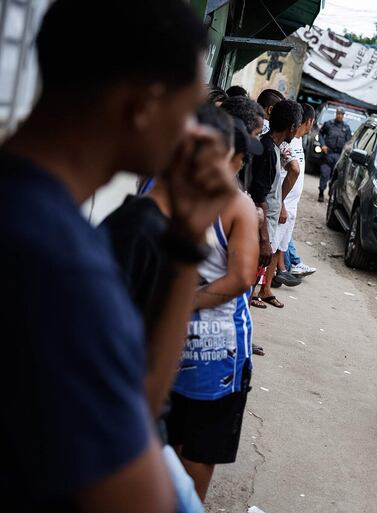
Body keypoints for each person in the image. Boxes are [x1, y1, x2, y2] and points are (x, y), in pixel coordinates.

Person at [0, 1, 236, 511]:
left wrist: (186, 242)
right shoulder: (63, 267)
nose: (195, 131)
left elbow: (134, 409)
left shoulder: (30, 213)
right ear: (144, 106)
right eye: (188, 111)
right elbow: (142, 498)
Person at [166, 107, 261, 501]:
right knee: (199, 450)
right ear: (228, 155)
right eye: (241, 155)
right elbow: (241, 278)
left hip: (166, 335)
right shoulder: (237, 205)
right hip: (216, 348)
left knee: (165, 437)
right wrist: (187, 303)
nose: (243, 163)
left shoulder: (163, 186)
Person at [249, 100, 302, 308]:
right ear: (292, 127)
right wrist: (264, 240)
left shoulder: (272, 148)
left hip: (263, 226)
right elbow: (259, 197)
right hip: (259, 228)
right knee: (249, 281)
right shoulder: (268, 151)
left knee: (251, 280)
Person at [273, 104, 316, 286]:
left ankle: (279, 272)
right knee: (272, 245)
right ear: (309, 121)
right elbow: (279, 177)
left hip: (291, 206)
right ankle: (267, 280)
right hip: (283, 205)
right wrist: (281, 204)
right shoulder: (288, 143)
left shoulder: (298, 142)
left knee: (281, 244)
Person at [318, 106, 352, 202]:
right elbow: (320, 134)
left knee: (335, 177)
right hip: (328, 154)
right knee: (325, 174)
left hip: (339, 156)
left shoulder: (346, 128)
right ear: (336, 113)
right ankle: (321, 192)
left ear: (343, 115)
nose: (339, 115)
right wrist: (323, 145)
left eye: (341, 114)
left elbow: (349, 142)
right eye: (338, 113)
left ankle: (331, 193)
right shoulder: (328, 124)